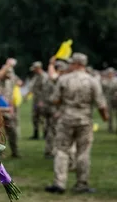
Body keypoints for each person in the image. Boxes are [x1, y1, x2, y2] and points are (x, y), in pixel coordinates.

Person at [45, 53, 108, 194]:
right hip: (85, 120)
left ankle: (59, 183)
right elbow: (101, 104)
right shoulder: (92, 81)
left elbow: (55, 99)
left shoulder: (64, 79)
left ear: (75, 64)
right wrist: (105, 118)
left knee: (62, 150)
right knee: (83, 152)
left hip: (66, 118)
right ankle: (82, 183)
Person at [27, 61, 48, 140]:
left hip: (42, 101)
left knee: (43, 118)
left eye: (34, 69)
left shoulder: (44, 76)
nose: (33, 70)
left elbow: (45, 90)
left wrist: (42, 101)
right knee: (35, 117)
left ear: (38, 68)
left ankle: (45, 134)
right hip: (36, 100)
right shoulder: (36, 76)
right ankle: (36, 134)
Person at [101, 67, 117, 133]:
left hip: (115, 98)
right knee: (109, 114)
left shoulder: (116, 81)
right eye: (109, 73)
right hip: (108, 98)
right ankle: (110, 128)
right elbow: (103, 91)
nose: (110, 74)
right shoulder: (104, 81)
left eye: (111, 73)